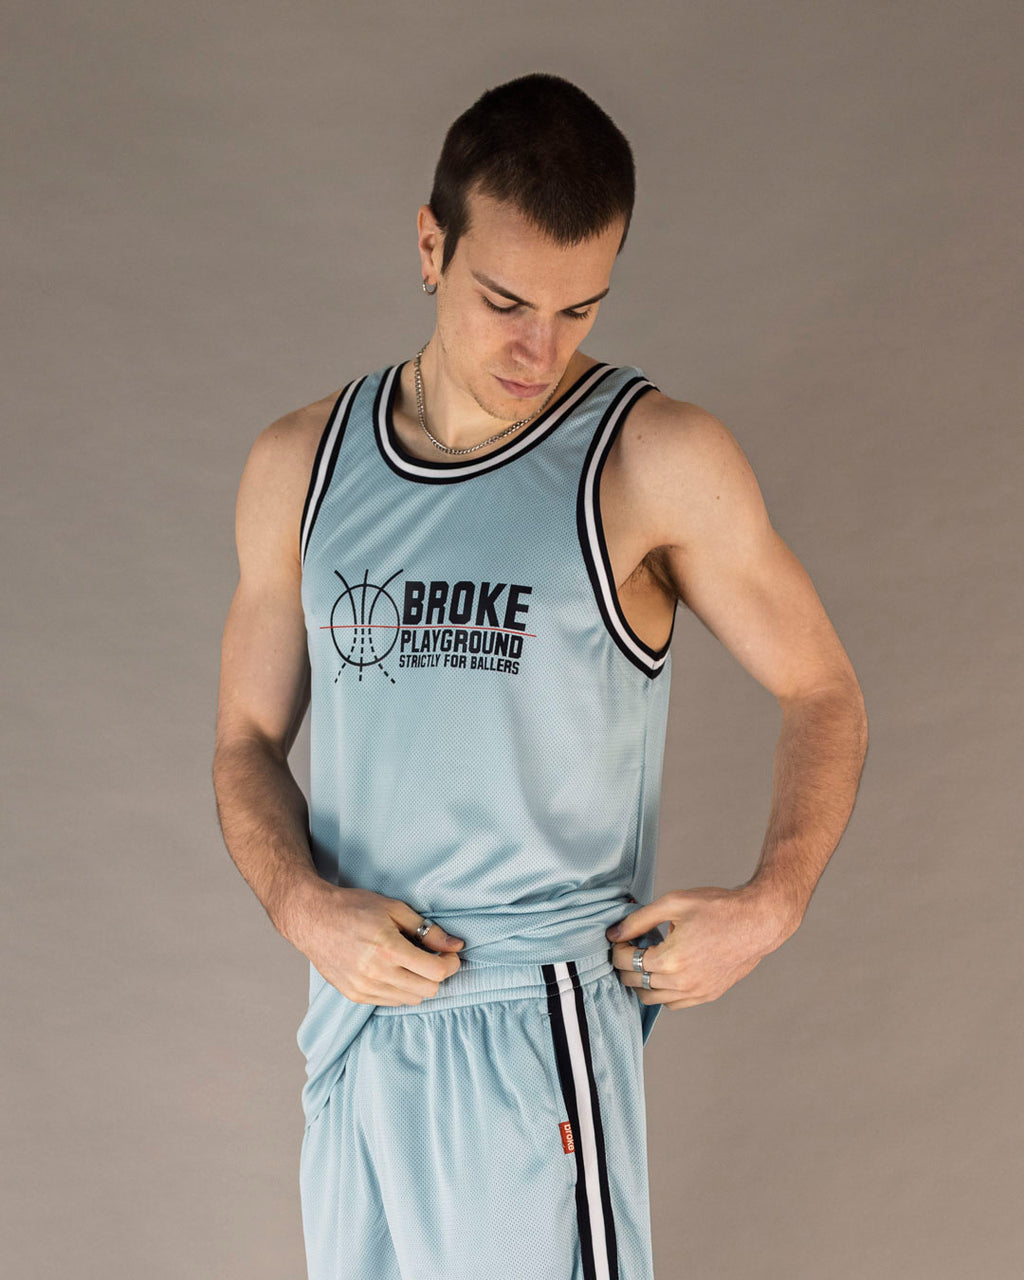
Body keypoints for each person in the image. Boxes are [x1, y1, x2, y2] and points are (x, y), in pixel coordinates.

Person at [212, 71, 868, 1280]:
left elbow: (824, 689)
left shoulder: (651, 459)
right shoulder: (301, 464)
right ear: (430, 245)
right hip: (354, 1020)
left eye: (579, 308)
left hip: (532, 1028)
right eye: (505, 301)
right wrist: (302, 906)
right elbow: (245, 738)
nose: (539, 348)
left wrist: (770, 903)